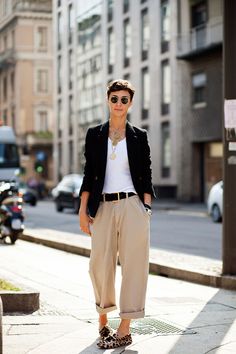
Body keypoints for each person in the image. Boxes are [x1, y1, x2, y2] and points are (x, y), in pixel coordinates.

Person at [79, 79, 156, 349]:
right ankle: (103, 318)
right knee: (99, 264)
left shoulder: (139, 136)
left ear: (130, 103)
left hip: (132, 205)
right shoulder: (95, 134)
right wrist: (82, 209)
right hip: (102, 206)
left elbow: (146, 174)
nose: (119, 104)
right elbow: (89, 174)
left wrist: (146, 208)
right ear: (108, 100)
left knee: (135, 266)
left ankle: (125, 327)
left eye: (124, 99)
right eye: (115, 99)